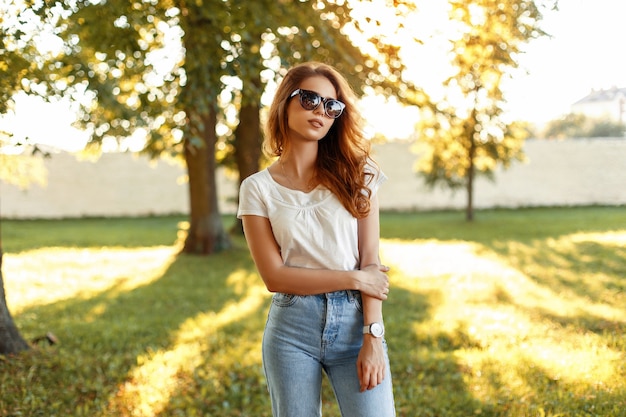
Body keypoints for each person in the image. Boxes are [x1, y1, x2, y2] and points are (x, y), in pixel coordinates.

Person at [237, 61, 395, 417]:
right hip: (292, 329)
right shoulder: (257, 189)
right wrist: (353, 278)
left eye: (331, 105)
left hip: (357, 324)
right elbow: (274, 277)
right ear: (285, 104)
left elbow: (370, 257)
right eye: (309, 99)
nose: (320, 111)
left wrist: (373, 335)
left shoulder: (360, 174)